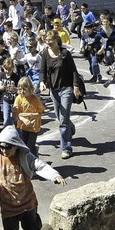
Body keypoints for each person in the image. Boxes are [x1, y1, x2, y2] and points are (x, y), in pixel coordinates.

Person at [0, 126, 67, 230]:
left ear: (16, 146)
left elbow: (40, 166)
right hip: (8, 208)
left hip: (26, 204)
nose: (4, 150)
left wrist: (54, 175)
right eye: (1, 146)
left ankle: (36, 219)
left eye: (8, 147)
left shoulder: (25, 157)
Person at [39, 29, 81, 159]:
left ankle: (66, 148)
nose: (48, 42)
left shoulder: (65, 53)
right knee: (60, 116)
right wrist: (42, 82)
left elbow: (74, 71)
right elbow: (42, 71)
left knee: (62, 121)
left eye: (50, 40)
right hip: (54, 90)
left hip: (66, 89)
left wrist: (76, 87)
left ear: (56, 40)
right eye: (46, 40)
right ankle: (70, 126)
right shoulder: (45, 53)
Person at [12, 77, 44, 155]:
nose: (22, 92)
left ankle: (33, 161)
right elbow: (15, 113)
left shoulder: (35, 99)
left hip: (33, 127)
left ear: (29, 88)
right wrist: (23, 119)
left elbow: (40, 113)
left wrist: (31, 118)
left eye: (24, 89)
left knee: (30, 147)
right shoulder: (19, 98)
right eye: (20, 89)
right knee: (23, 146)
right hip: (22, 126)